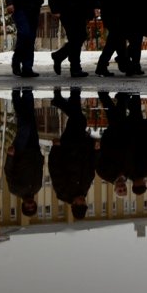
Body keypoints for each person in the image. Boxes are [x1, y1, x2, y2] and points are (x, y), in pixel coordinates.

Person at [49, 87, 96, 220]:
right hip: (82, 145)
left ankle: (65, 98)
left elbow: (54, 169)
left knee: (79, 119)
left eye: (81, 202)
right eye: (84, 202)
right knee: (77, 118)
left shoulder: (62, 192)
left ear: (74, 204)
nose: (83, 199)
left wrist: (56, 149)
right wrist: (93, 148)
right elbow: (90, 169)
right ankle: (72, 94)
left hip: (67, 147)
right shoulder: (84, 190)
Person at [4, 88, 44, 217]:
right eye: (33, 206)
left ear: (23, 205)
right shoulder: (37, 188)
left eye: (28, 206)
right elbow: (39, 170)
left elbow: (8, 171)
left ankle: (16, 96)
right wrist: (40, 157)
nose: (30, 204)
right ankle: (27, 94)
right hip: (34, 149)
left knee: (25, 125)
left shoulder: (15, 190)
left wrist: (10, 156)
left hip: (20, 151)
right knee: (31, 120)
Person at [94, 0, 129, 76]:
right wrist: (97, 8)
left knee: (117, 39)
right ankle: (104, 65)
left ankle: (122, 63)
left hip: (124, 17)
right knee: (115, 38)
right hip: (110, 16)